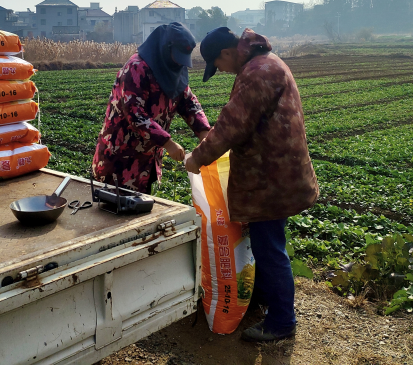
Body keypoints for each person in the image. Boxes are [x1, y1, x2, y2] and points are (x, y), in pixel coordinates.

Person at [184, 27, 319, 342]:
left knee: (269, 249)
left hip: (271, 178)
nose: (221, 70)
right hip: (277, 172)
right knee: (265, 244)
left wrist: (197, 158)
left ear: (227, 53)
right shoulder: (265, 63)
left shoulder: (257, 73)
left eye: (218, 65)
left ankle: (282, 322)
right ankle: (266, 302)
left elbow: (232, 125)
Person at [93, 22, 210, 194]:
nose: (179, 63)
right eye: (177, 57)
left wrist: (204, 132)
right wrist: (167, 143)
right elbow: (135, 113)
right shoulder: (136, 68)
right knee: (116, 206)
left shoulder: (174, 70)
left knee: (141, 205)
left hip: (147, 161)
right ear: (166, 48)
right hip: (120, 160)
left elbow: (189, 102)